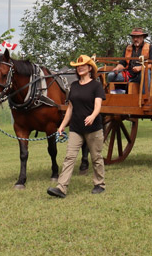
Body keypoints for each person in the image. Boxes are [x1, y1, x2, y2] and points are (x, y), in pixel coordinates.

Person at [48, 55, 106, 198]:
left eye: (83, 65)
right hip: (76, 129)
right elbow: (70, 108)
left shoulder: (96, 86)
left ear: (89, 68)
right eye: (77, 66)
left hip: (94, 129)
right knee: (69, 157)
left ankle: (99, 184)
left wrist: (92, 116)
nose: (79, 68)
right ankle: (61, 188)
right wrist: (61, 126)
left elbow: (98, 105)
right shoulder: (73, 86)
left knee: (96, 157)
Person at [106, 27, 152, 91]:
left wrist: (140, 68)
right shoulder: (128, 48)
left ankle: (144, 97)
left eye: (138, 37)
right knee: (111, 75)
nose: (135, 39)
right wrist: (117, 68)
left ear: (142, 37)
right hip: (129, 75)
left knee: (146, 72)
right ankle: (113, 95)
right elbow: (123, 63)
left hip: (141, 75)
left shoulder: (149, 47)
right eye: (134, 37)